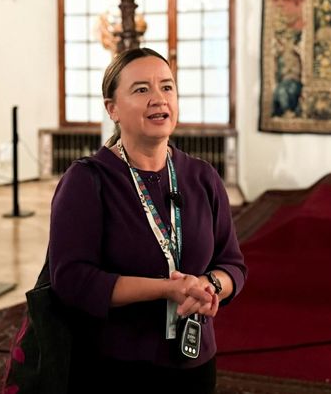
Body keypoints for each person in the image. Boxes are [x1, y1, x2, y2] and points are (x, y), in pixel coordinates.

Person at [48, 48, 247, 393]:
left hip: (194, 360)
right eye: (141, 89)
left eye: (167, 87)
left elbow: (233, 265)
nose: (159, 99)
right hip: (115, 365)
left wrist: (209, 286)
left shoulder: (203, 177)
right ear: (112, 109)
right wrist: (169, 289)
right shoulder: (87, 180)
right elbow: (72, 279)